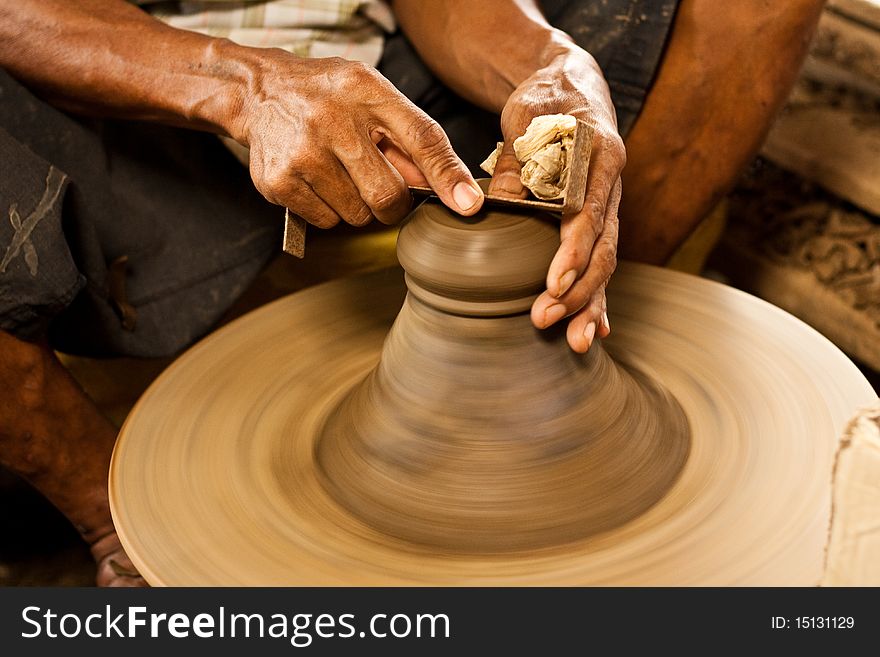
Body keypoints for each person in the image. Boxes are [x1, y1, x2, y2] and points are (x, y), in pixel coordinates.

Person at [0, 0, 824, 586]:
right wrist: (250, 87)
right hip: (120, 98)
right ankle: (118, 524)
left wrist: (554, 66)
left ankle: (576, 304)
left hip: (374, 65)